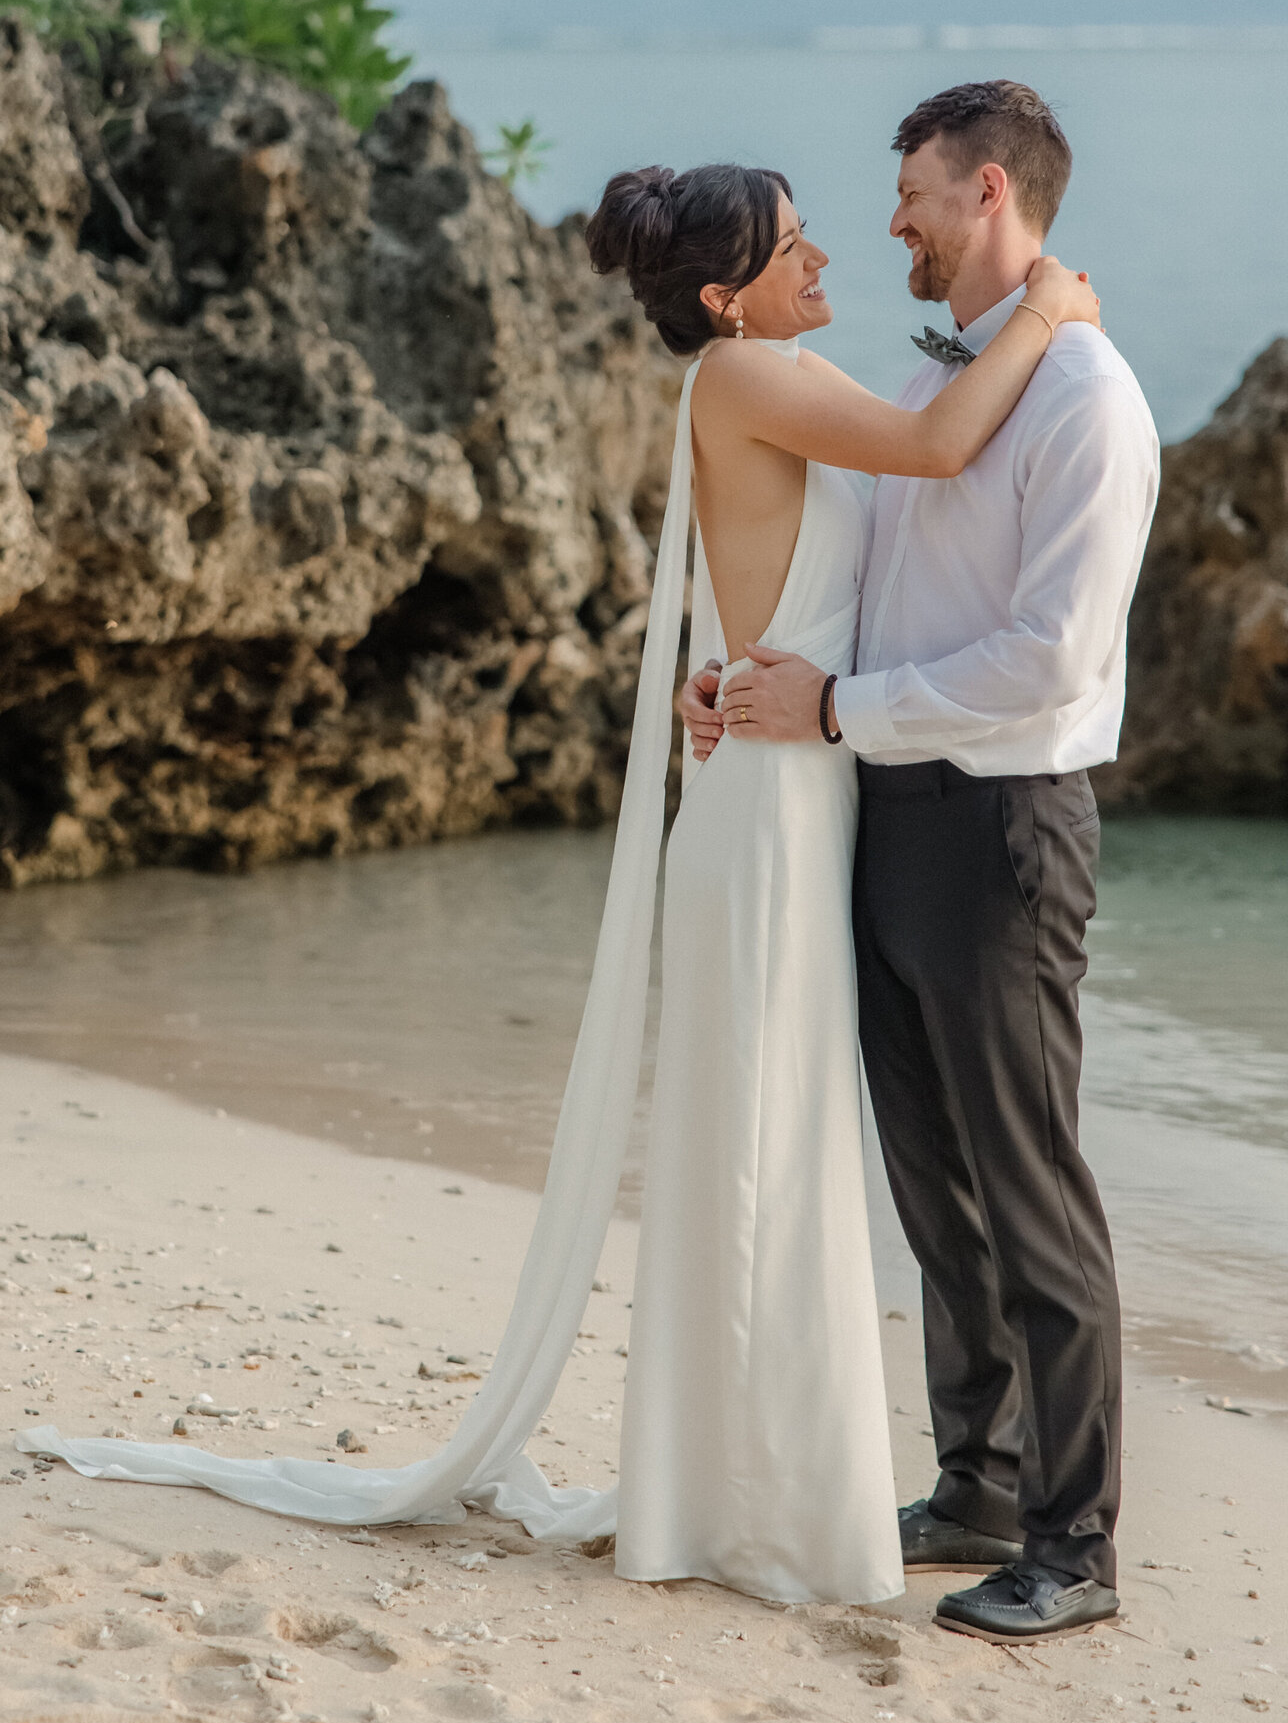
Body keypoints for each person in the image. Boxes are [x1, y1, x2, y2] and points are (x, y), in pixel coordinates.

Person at [19, 152, 1098, 1612]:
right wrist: (1047, 309)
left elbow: (827, 563)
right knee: (760, 1156)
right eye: (792, 247)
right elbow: (942, 449)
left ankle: (775, 1485)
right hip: (773, 815)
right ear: (725, 296)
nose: (825, 256)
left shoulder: (786, 374)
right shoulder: (743, 380)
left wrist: (722, 678)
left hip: (801, 788)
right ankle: (755, 1504)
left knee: (781, 1152)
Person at [684, 82, 1160, 1642]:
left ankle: (1075, 1550)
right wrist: (763, 690)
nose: (889, 217)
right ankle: (979, 1483)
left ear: (994, 196)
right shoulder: (929, 372)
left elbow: (1047, 661)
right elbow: (856, 582)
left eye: (913, 193)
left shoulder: (1088, 400)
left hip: (1008, 829)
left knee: (1033, 1191)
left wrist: (839, 708)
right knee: (932, 1184)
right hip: (885, 816)